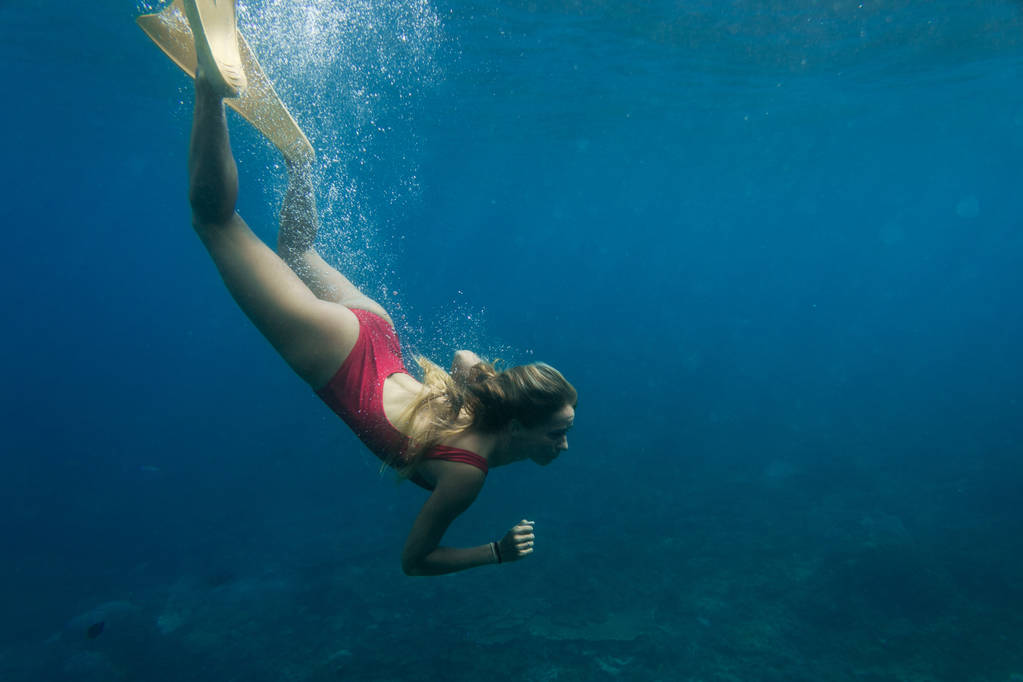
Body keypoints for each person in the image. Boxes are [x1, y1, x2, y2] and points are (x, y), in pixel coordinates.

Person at [154, 0, 578, 576]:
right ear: (521, 427)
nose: (564, 446)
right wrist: (495, 552)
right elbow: (415, 560)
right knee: (215, 222)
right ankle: (211, 88)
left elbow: (465, 356)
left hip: (378, 335)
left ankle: (301, 162)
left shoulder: (484, 401)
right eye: (557, 434)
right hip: (342, 356)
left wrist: (472, 384)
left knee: (299, 253)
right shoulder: (467, 478)